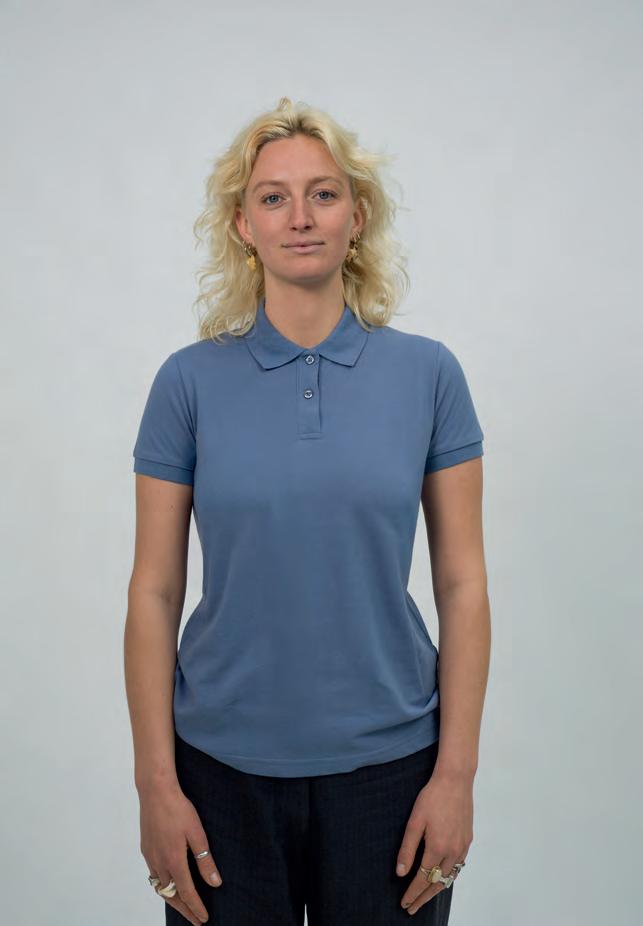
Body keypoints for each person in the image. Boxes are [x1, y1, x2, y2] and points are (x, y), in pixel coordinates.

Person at [124, 96, 491, 926]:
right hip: (217, 775)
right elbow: (153, 590)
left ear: (356, 217)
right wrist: (154, 785)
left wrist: (455, 777)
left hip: (392, 775)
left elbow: (463, 584)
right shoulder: (186, 383)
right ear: (242, 225)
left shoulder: (429, 376)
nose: (300, 216)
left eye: (323, 194)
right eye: (273, 197)